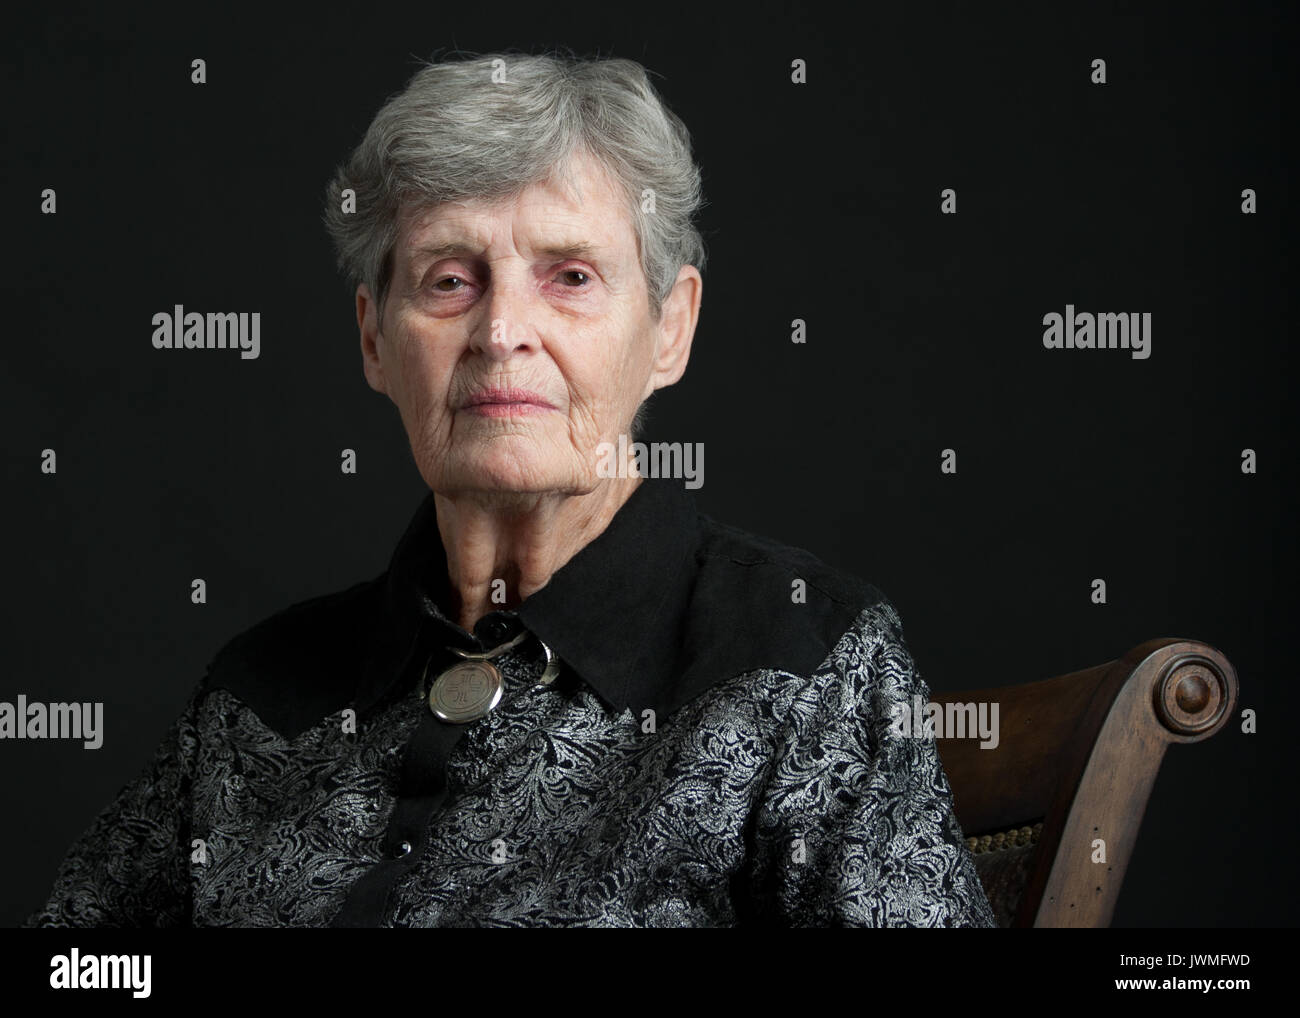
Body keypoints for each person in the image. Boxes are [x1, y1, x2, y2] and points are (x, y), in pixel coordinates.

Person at [24, 51, 996, 928]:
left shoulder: (801, 661)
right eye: (450, 281)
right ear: (373, 337)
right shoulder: (258, 698)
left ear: (669, 328)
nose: (501, 333)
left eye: (569, 276)